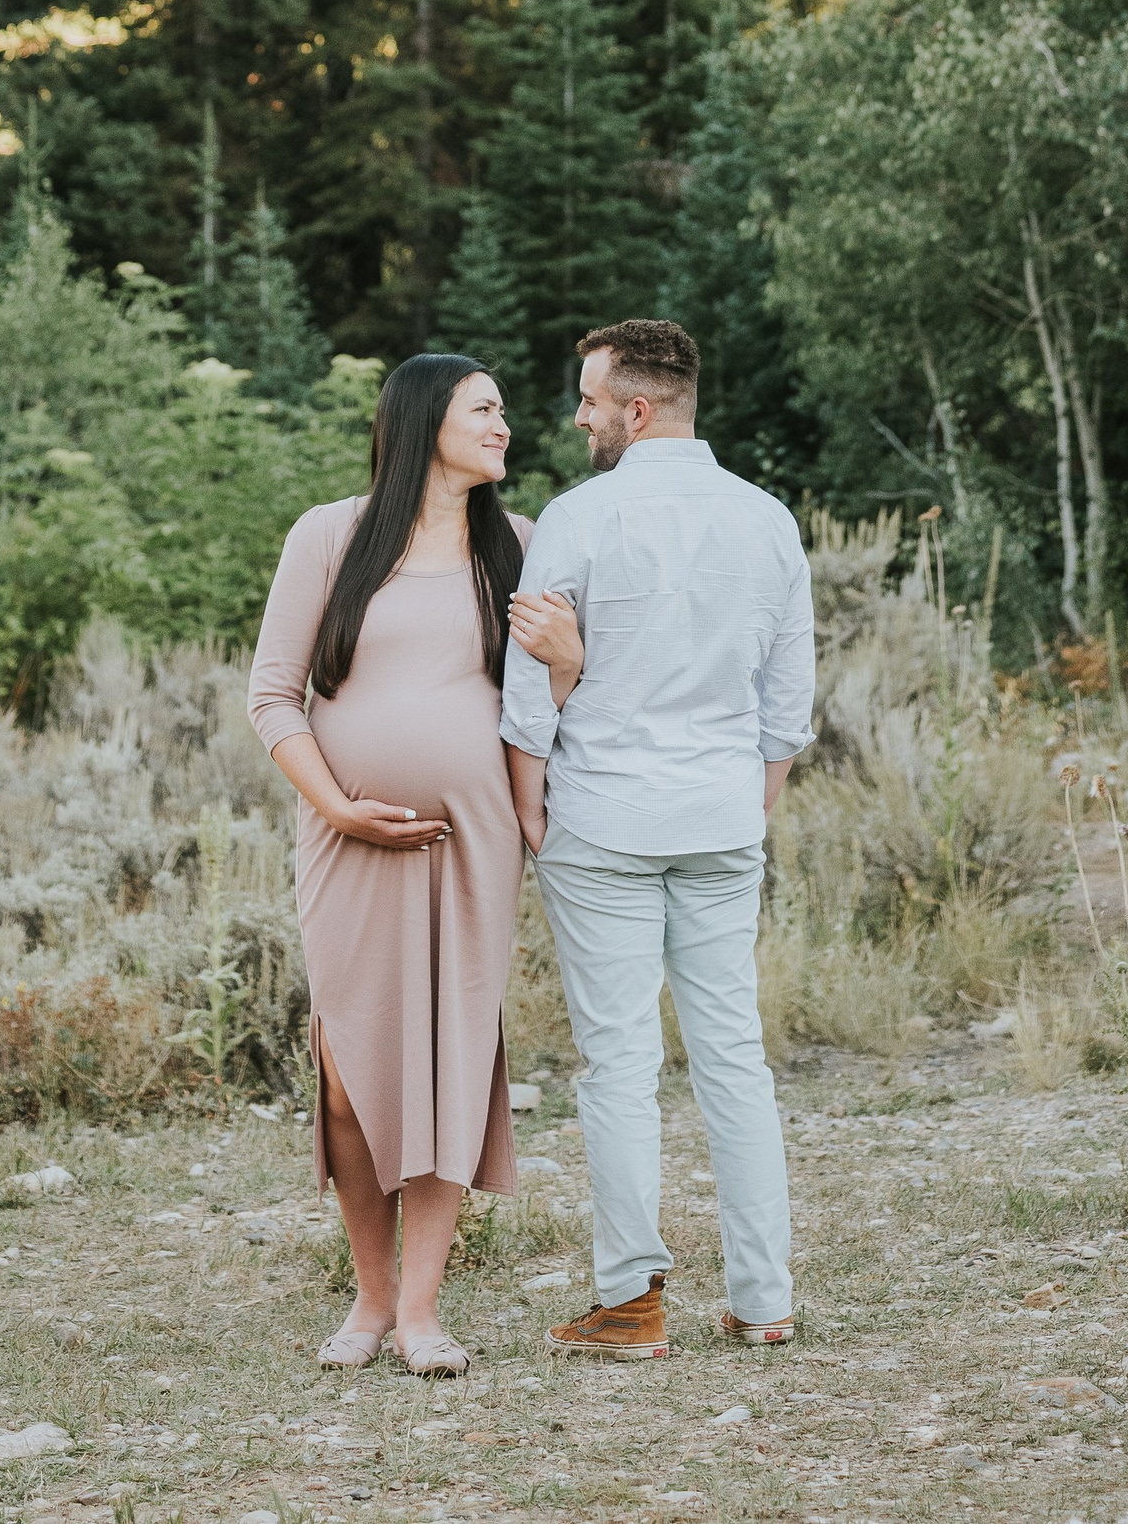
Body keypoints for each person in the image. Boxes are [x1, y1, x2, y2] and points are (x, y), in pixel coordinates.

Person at [247, 353, 581, 1375]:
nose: (504, 424)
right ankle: (370, 1296)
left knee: (448, 1066)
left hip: (472, 843)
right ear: (425, 418)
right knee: (350, 1074)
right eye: (485, 407)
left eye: (503, 408)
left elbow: (551, 702)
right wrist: (337, 805)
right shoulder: (330, 535)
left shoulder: (520, 543)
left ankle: (422, 1312)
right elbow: (272, 695)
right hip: (345, 841)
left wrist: (570, 661)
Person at [501, 315, 814, 1361]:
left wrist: (531, 809)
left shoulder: (577, 516)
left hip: (602, 821)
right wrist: (749, 804)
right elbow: (788, 699)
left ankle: (630, 1302)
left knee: (619, 1062)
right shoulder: (767, 518)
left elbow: (526, 694)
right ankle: (763, 1298)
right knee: (734, 1055)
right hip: (721, 816)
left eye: (590, 400)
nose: (577, 416)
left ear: (636, 409)